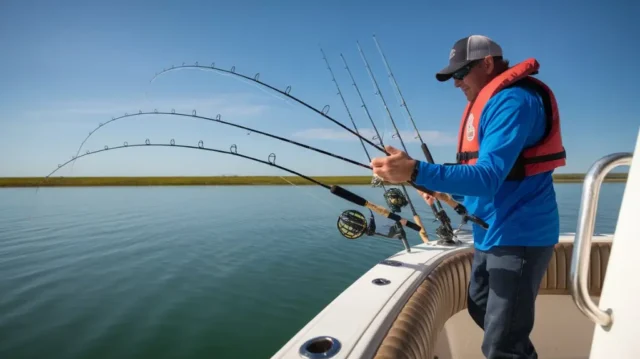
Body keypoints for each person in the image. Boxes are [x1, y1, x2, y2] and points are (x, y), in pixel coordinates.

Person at [370, 35, 567, 359]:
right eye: (452, 76)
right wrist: (439, 185)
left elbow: (488, 177)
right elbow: (500, 176)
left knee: (502, 346)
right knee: (479, 309)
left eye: (461, 73)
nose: (456, 83)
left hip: (519, 235)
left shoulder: (513, 101)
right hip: (491, 232)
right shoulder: (493, 103)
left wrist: (417, 171)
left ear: (487, 64)